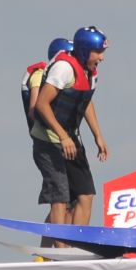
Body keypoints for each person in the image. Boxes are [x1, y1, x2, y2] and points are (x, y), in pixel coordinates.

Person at [30, 26, 108, 236]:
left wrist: (97, 136)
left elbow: (86, 102)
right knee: (60, 198)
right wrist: (63, 137)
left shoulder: (91, 74)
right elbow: (42, 105)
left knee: (85, 195)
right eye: (98, 52)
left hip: (70, 138)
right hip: (48, 140)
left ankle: (77, 244)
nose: (101, 58)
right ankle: (61, 253)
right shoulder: (63, 68)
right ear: (84, 50)